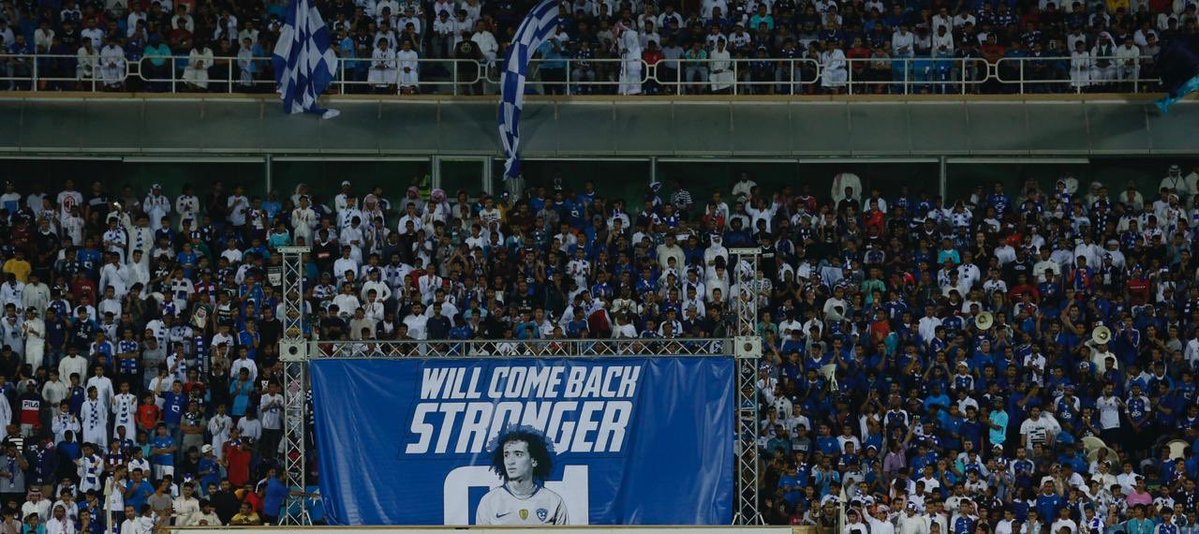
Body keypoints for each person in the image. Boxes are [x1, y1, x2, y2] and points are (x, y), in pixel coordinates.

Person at [475, 428, 568, 525]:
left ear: (534, 461)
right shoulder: (490, 501)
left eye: (518, 454)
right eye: (506, 455)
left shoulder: (554, 501)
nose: (510, 461)